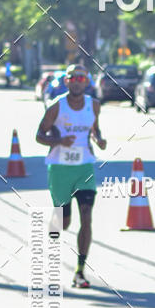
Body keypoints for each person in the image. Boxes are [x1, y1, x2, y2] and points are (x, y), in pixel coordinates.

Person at [35, 63, 106, 288]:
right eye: (73, 78)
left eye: (81, 78)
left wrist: (98, 139)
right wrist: (59, 141)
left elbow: (94, 129)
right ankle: (49, 255)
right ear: (66, 81)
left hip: (84, 167)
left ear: (87, 82)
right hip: (59, 169)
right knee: (62, 224)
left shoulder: (94, 105)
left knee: (87, 215)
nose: (77, 81)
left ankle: (80, 271)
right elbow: (39, 135)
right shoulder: (57, 106)